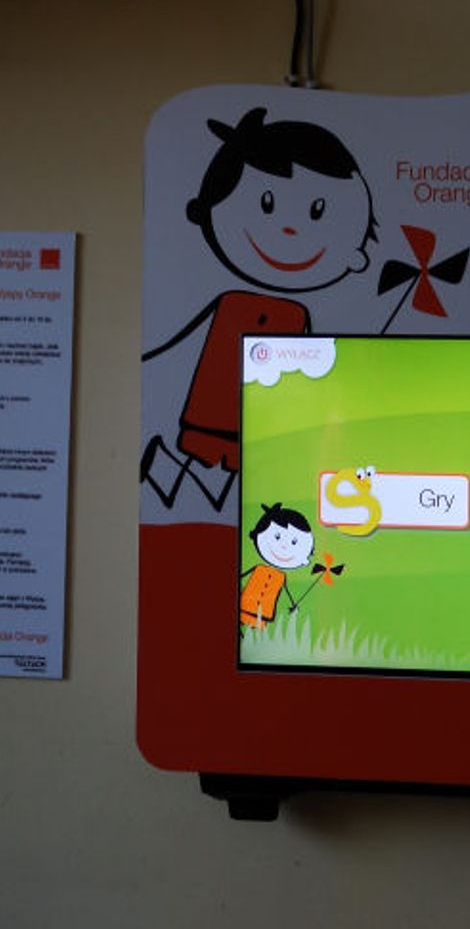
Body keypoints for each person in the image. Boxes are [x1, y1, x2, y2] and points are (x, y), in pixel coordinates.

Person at [141, 108, 377, 510]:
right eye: (267, 203)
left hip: (259, 427)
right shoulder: (231, 303)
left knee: (238, 487)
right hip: (207, 413)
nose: (290, 229)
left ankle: (182, 481)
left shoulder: (296, 316)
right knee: (210, 484)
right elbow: (181, 340)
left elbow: (319, 371)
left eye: (317, 212)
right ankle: (173, 478)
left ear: (355, 253)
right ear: (207, 210)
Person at [239, 504, 315, 629]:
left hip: (265, 611)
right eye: (277, 537)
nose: (284, 546)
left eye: (294, 542)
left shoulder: (281, 576)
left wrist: (293, 604)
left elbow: (286, 591)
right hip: (246, 605)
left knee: (256, 632)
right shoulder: (259, 568)